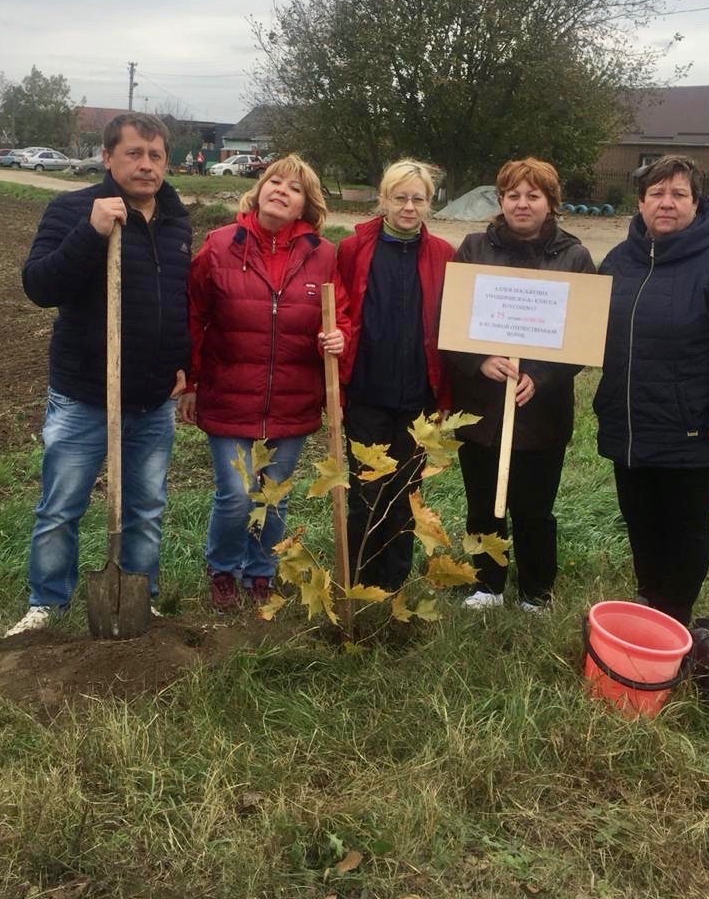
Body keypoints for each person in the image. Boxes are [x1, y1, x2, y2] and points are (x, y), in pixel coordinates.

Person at [6, 112, 193, 636]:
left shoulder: (177, 219)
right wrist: (90, 233)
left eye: (156, 156)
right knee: (62, 506)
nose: (146, 165)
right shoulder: (72, 209)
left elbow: (177, 301)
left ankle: (138, 595)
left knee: (147, 507)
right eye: (134, 153)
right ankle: (47, 605)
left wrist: (184, 365)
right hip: (85, 393)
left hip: (152, 399)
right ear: (107, 157)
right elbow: (40, 287)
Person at [594, 155, 709, 626]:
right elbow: (584, 328)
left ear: (697, 202)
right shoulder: (618, 260)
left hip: (693, 431)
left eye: (678, 194)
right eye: (657, 194)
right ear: (641, 202)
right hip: (630, 425)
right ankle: (649, 598)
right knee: (640, 521)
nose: (666, 203)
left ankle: (675, 616)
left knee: (684, 526)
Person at [180, 155, 349, 611]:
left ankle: (261, 572)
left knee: (273, 496)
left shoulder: (323, 255)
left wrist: (339, 337)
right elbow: (193, 317)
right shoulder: (218, 246)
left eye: (294, 189)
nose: (281, 190)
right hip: (229, 395)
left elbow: (343, 317)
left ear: (305, 206)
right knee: (236, 495)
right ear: (258, 191)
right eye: (274, 181)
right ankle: (222, 568)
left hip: (292, 400)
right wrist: (190, 382)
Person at [446, 158, 596, 611]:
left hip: (541, 411)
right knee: (483, 501)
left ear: (551, 203)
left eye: (533, 195)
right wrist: (478, 361)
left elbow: (584, 335)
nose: (522, 203)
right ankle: (486, 583)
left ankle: (535, 589)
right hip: (482, 407)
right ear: (501, 200)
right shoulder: (474, 247)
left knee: (534, 509)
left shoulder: (574, 256)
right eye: (513, 195)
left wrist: (544, 376)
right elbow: (448, 320)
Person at [337, 159, 454, 590]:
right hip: (367, 394)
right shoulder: (354, 250)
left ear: (430, 204)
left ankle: (393, 586)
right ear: (383, 199)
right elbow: (343, 314)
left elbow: (449, 327)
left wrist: (443, 399)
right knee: (366, 493)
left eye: (417, 199)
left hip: (417, 398)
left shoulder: (443, 254)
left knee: (405, 496)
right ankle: (357, 579)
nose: (408, 207)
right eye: (399, 197)